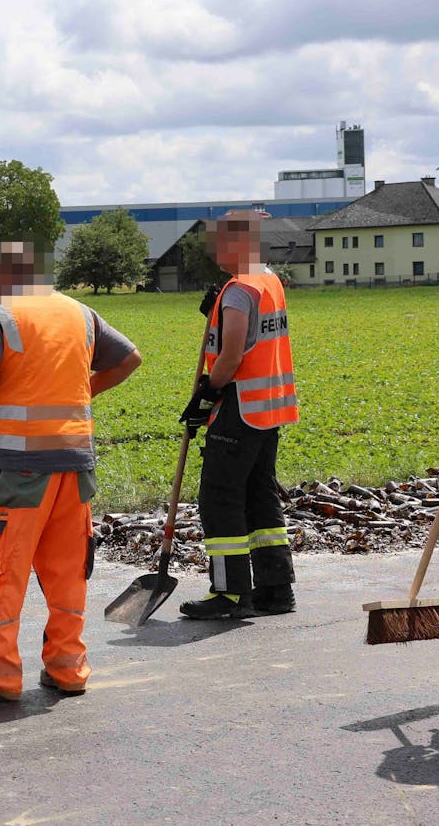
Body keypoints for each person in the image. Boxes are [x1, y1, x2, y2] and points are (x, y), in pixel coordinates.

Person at [0, 240, 141, 700]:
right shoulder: (79, 313)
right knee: (67, 570)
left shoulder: (2, 315)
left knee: (0, 571)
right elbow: (129, 359)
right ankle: (68, 669)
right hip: (75, 467)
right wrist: (79, 396)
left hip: (20, 472)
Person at [178, 210, 300, 619]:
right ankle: (276, 588)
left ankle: (231, 594)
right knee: (259, 494)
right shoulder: (268, 281)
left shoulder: (237, 290)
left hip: (239, 407)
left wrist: (207, 394)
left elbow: (231, 354)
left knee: (220, 496)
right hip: (270, 409)